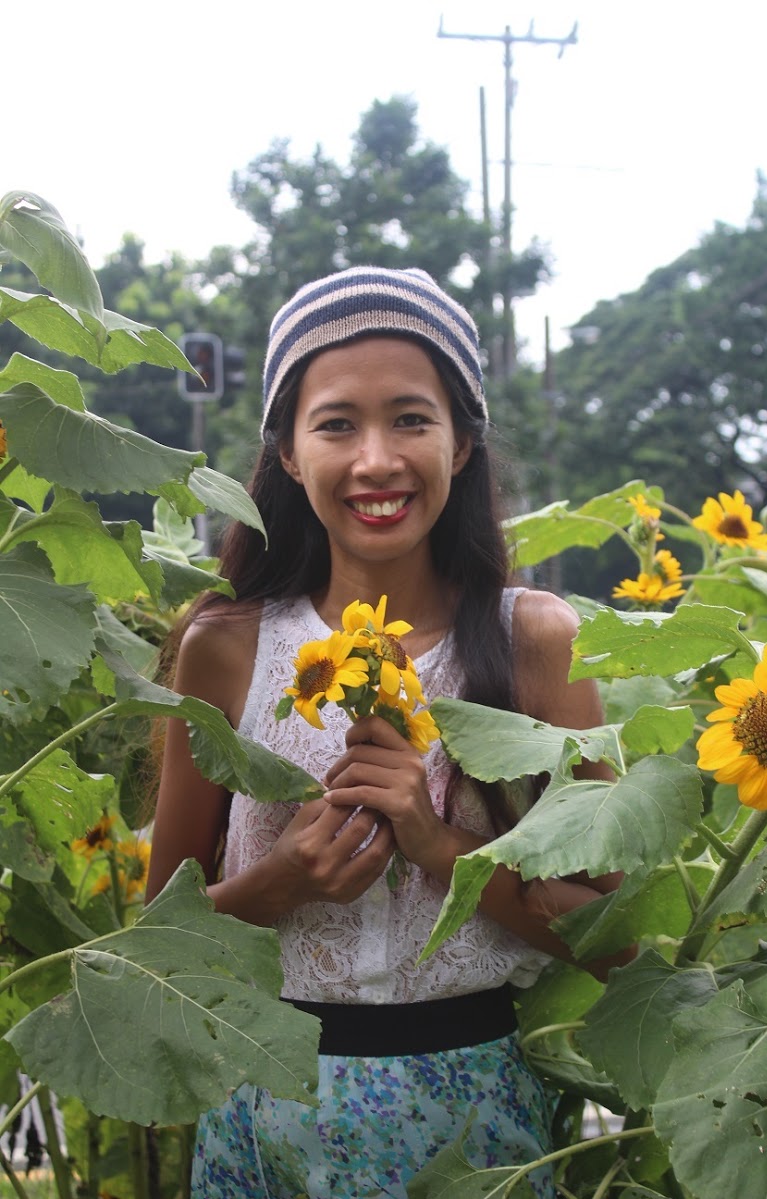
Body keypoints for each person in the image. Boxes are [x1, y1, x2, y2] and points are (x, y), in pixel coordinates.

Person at [147, 266, 621, 1197]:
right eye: (336, 424)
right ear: (286, 451)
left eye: (411, 418)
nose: (376, 460)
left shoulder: (536, 643)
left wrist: (443, 847)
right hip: (261, 1114)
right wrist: (281, 880)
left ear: (465, 440)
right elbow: (155, 941)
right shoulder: (228, 647)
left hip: (473, 1127)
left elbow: (613, 939)